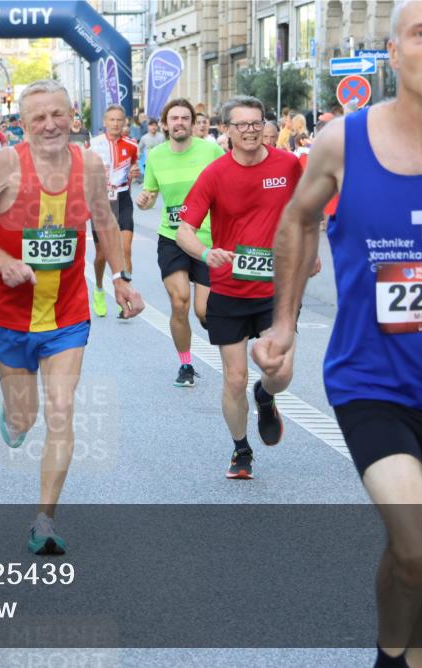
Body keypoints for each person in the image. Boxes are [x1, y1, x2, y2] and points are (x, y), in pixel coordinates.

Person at [254, 2, 422, 666]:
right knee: (418, 545)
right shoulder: (343, 141)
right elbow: (297, 219)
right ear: (394, 51)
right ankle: (386, 658)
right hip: (368, 381)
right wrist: (283, 324)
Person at [0, 79, 145, 555]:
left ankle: (44, 520)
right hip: (9, 314)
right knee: (25, 419)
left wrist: (121, 276)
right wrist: (3, 262)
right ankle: (15, 416)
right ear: (23, 123)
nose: (49, 125)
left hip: (67, 313)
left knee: (61, 411)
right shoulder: (5, 163)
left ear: (73, 117)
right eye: (38, 117)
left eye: (57, 114)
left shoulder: (90, 165)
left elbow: (103, 220)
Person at [176, 95, 307, 479]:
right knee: (234, 377)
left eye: (256, 123)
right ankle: (241, 450)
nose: (251, 131)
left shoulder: (288, 165)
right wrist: (205, 253)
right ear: (226, 130)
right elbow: (185, 230)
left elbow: (306, 210)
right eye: (242, 125)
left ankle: (266, 397)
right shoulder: (215, 174)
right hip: (230, 289)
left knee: (279, 370)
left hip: (277, 288)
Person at [136, 99, 224, 387]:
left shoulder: (211, 151)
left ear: (193, 122)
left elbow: (229, 186)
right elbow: (149, 195)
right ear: (165, 124)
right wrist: (145, 200)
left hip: (207, 238)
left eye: (185, 118)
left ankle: (225, 340)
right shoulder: (156, 155)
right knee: (179, 301)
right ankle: (185, 364)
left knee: (203, 312)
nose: (179, 123)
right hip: (172, 237)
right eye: (173, 118)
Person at [89, 104, 140, 317]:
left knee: (125, 248)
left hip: (122, 198)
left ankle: (124, 295)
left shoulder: (132, 144)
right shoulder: (93, 145)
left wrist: (134, 173)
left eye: (120, 120)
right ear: (104, 122)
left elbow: (134, 167)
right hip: (100, 201)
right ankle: (99, 289)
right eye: (112, 120)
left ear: (124, 122)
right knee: (101, 254)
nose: (116, 124)